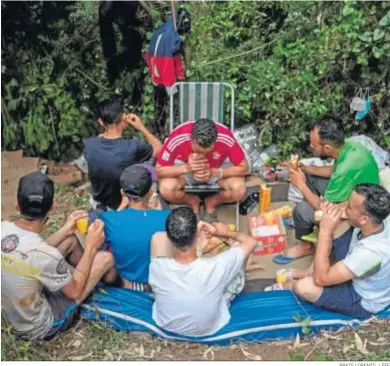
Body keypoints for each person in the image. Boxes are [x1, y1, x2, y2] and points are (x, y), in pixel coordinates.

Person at [1, 172, 116, 340]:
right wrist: (91, 247)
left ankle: (82, 272)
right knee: (104, 258)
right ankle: (120, 284)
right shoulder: (47, 255)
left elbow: (28, 253)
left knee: (68, 240)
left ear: (17, 205)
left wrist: (64, 231)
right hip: (36, 327)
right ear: (53, 206)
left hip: (8, 316)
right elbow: (74, 292)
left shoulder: (4, 228)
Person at [273, 116, 380, 264]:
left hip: (357, 211)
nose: (311, 147)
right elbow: (333, 170)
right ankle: (307, 225)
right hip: (356, 194)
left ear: (327, 148)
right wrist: (306, 169)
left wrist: (301, 184)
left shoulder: (345, 171)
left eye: (314, 145)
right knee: (309, 177)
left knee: (301, 210)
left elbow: (324, 208)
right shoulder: (348, 146)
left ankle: (306, 245)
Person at [148, 206, 258, 337]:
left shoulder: (157, 266)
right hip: (209, 328)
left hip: (166, 324)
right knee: (237, 249)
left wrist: (199, 248)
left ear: (170, 237)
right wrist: (225, 232)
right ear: (196, 234)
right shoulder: (217, 266)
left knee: (156, 238)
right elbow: (251, 242)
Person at [292, 183, 390, 318]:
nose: (344, 207)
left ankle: (315, 274)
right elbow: (344, 211)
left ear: (364, 219)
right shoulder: (379, 218)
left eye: (349, 206)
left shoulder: (371, 252)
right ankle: (309, 271)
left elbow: (320, 280)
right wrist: (333, 209)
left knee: (303, 286)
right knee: (339, 223)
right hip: (359, 265)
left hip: (360, 299)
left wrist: (325, 231)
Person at [156, 118, 249, 222]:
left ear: (214, 142)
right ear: (191, 138)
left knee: (239, 190)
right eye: (198, 151)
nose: (202, 156)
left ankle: (212, 202)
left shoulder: (225, 137)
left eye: (207, 152)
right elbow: (158, 170)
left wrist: (216, 172)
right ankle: (192, 201)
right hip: (185, 171)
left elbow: (244, 168)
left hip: (216, 169)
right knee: (166, 189)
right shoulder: (178, 137)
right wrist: (186, 168)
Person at [84, 96, 162, 211]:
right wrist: (141, 127)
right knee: (151, 167)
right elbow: (158, 149)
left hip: (100, 203)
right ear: (122, 118)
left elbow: (101, 142)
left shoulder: (89, 145)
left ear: (101, 122)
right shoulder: (132, 147)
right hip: (125, 202)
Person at [101, 164, 170, 292]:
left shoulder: (108, 219)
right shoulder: (167, 218)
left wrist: (121, 207)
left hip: (125, 282)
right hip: (155, 282)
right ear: (150, 191)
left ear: (122, 192)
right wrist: (158, 212)